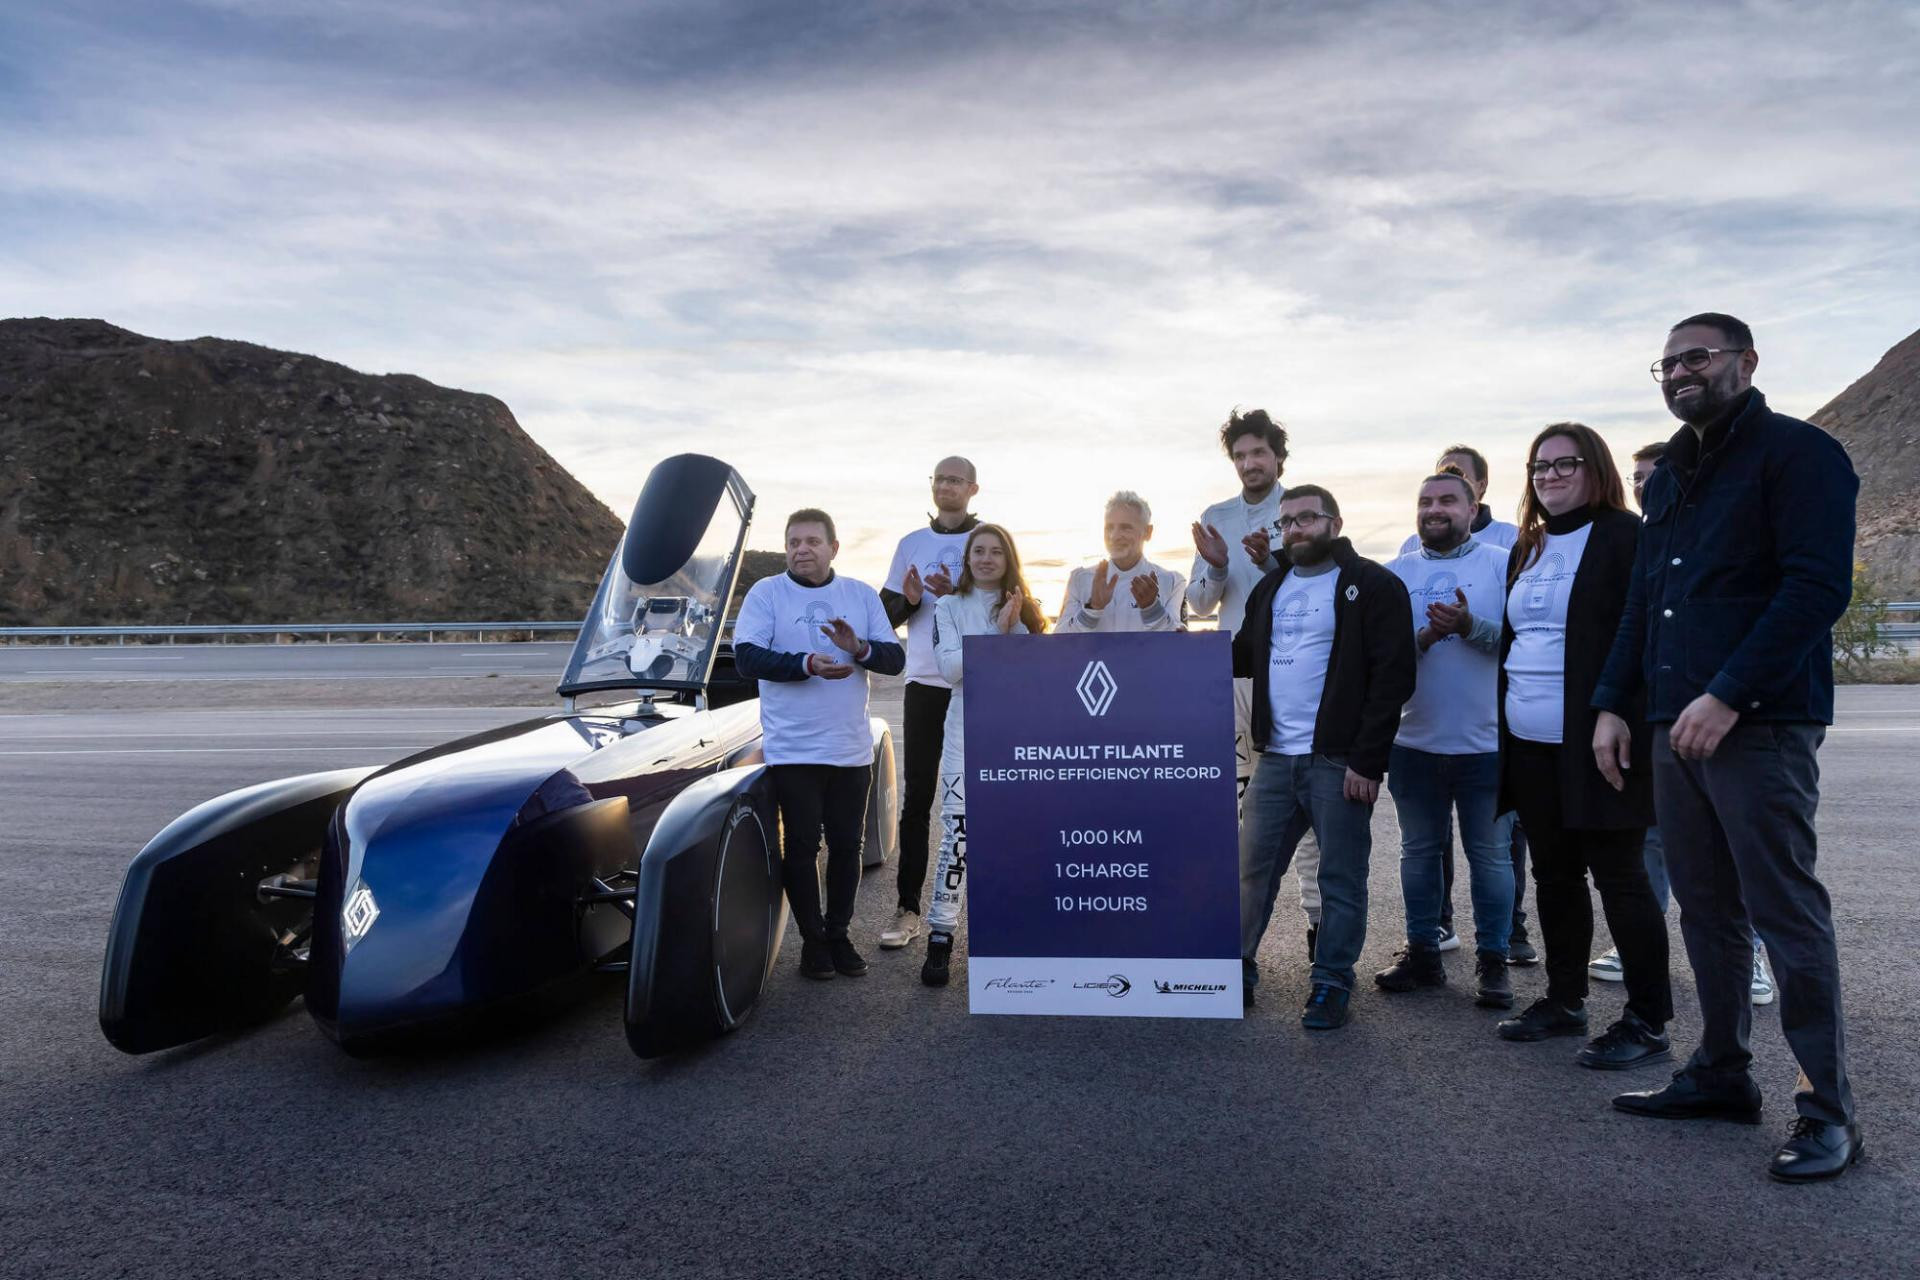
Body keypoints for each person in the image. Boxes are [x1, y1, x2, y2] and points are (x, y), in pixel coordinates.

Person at [1598, 313, 1863, 1183]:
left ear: (1745, 362)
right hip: (1673, 722)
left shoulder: (1800, 454)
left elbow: (1816, 589)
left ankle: (1829, 1112)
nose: (1680, 372)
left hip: (1760, 723)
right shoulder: (1671, 474)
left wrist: (1728, 693)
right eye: (1667, 362)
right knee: (1707, 909)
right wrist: (1613, 704)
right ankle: (1720, 1072)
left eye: (1697, 356)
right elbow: (1646, 600)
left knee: (1784, 912)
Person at [1493, 423, 1673, 1070]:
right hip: (1529, 743)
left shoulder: (1627, 536)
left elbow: (1645, 635)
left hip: (1599, 740)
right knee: (1554, 875)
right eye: (1539, 466)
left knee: (1621, 878)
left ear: (1596, 469)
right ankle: (1564, 1001)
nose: (1550, 476)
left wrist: (1616, 711)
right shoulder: (1529, 546)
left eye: (1565, 463)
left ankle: (1648, 1020)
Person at [1588, 440, 1774, 1005]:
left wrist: (1728, 694)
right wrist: (1612, 704)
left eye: (1654, 474)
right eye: (1638, 477)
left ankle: (1753, 952)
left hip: (1725, 713)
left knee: (1735, 844)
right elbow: (1631, 623)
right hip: (1652, 715)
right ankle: (1645, 944)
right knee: (1653, 840)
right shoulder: (1642, 539)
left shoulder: (1709, 533)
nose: (1645, 485)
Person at [1232, 485, 1415, 1027]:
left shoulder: (1373, 584)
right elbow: (1243, 655)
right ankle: (1235, 969)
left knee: (1340, 878)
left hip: (1337, 761)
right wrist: (1174, 646)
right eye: (1285, 522)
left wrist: (1367, 761)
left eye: (1306, 518)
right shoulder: (1272, 586)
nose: (1294, 529)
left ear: (1334, 523)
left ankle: (1331, 981)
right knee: (1250, 871)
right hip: (1275, 758)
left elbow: (1394, 677)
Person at [732, 508, 906, 980]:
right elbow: (747, 657)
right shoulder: (767, 593)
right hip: (793, 749)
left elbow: (894, 659)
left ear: (834, 547)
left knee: (848, 846)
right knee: (802, 845)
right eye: (794, 542)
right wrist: (806, 663)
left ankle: (839, 934)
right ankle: (813, 942)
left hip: (849, 748)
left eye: (812, 541)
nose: (801, 550)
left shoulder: (860, 595)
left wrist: (859, 648)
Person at [1379, 467, 1515, 1010]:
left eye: (1447, 501)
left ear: (1472, 507)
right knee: (1418, 853)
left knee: (1492, 858)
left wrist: (1468, 626)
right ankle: (1423, 954)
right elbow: (1382, 658)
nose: (1434, 510)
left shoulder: (1503, 563)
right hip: (1414, 742)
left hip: (1489, 745)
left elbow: (1526, 641)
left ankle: (1494, 962)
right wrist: (1426, 636)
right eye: (1425, 501)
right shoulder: (1395, 574)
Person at [1189, 410, 1324, 954]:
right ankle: (1234, 938)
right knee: (1234, 809)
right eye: (1240, 455)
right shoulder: (1216, 515)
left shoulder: (1301, 510)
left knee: (1304, 811)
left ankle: (1318, 924)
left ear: (1278, 457)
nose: (1249, 463)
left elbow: (1316, 588)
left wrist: (1270, 561)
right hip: (1235, 677)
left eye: (1258, 453)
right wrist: (1218, 567)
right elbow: (1200, 604)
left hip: (1294, 677)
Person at [921, 523, 1048, 988]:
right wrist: (998, 633)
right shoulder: (949, 606)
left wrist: (1016, 628)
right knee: (958, 835)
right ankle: (941, 935)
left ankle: (1014, 933)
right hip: (965, 734)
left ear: (1009, 558)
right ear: (968, 558)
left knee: (1015, 837)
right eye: (979, 551)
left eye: (996, 551)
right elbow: (951, 669)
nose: (987, 558)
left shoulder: (1027, 608)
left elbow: (1035, 674)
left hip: (1016, 736)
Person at [876, 458, 982, 950]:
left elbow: (1011, 601)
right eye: (939, 478)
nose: (946, 486)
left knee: (984, 795)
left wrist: (958, 592)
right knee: (918, 798)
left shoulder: (988, 540)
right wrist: (912, 600)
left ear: (973, 488)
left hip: (979, 683)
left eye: (955, 480)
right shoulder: (910, 544)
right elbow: (884, 615)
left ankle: (991, 909)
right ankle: (908, 909)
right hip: (924, 682)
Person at [1055, 491, 1186, 634]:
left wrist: (1152, 609)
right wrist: (1092, 608)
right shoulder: (1079, 579)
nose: (1114, 536)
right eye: (1109, 528)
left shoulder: (1173, 582)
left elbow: (1179, 643)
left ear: (1148, 532)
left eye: (1125, 528)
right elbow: (1058, 640)